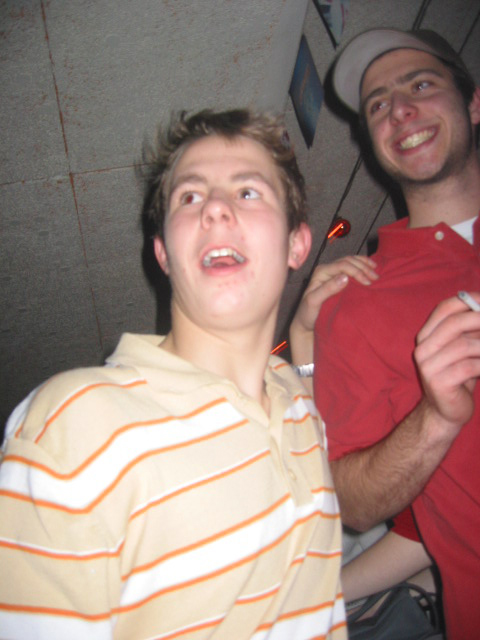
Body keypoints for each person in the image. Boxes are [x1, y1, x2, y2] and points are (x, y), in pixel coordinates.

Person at [0, 109, 350, 639]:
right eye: (189, 197)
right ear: (163, 253)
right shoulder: (73, 425)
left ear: (297, 244)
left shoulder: (297, 404)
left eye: (248, 192)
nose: (215, 208)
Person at [290, 28, 480, 638]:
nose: (399, 110)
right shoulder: (356, 303)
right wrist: (437, 417)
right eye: (377, 105)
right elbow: (355, 503)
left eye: (420, 85)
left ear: (473, 103)